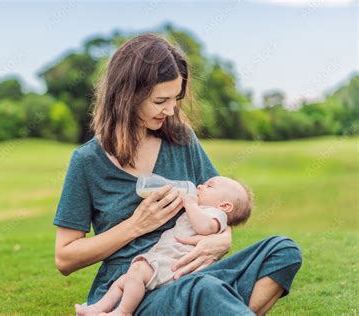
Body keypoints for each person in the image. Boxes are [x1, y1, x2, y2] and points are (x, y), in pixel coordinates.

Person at [54, 33, 302, 315]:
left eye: (176, 98)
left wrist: (223, 239)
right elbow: (65, 258)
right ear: (127, 96)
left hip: (192, 270)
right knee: (202, 290)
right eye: (161, 100)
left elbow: (221, 208)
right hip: (135, 288)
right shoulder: (88, 161)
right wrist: (136, 225)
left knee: (282, 251)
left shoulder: (182, 140)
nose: (171, 110)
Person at [74, 176, 253, 315]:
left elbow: (205, 227)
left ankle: (123, 312)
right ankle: (96, 308)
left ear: (225, 206)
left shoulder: (215, 215)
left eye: (209, 186)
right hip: (165, 259)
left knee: (136, 270)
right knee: (124, 281)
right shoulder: (203, 208)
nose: (200, 186)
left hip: (174, 263)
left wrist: (190, 203)